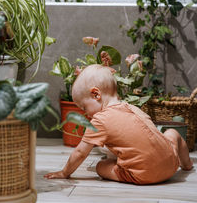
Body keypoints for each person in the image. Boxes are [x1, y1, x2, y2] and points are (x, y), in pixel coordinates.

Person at [44, 64, 193, 184]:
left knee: (101, 166)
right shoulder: (132, 107)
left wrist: (64, 172)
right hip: (171, 166)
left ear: (96, 95)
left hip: (145, 175)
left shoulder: (100, 120)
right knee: (172, 133)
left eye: (84, 107)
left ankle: (138, 168)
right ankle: (187, 165)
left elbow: (80, 152)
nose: (85, 113)